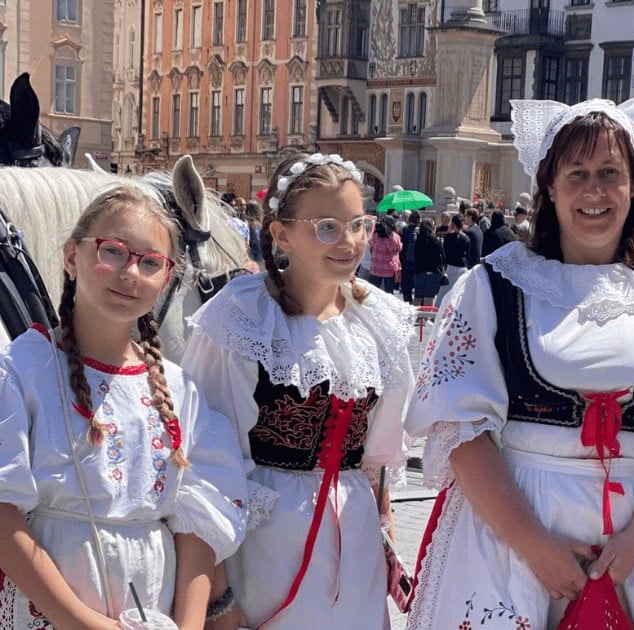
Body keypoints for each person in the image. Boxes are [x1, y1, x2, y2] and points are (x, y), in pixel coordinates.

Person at [405, 96, 634, 629]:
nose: (594, 190)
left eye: (610, 173)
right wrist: (535, 547)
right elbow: (460, 428)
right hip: (513, 535)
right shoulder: (493, 284)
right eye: (576, 173)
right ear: (550, 188)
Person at [181, 152, 415, 629]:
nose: (348, 241)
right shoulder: (243, 318)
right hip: (265, 544)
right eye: (327, 227)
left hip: (354, 543)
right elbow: (203, 465)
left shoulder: (377, 320)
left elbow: (377, 462)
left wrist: (386, 537)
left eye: (358, 225)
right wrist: (219, 599)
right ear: (282, 234)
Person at [0, 183, 247, 628]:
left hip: (153, 606)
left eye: (151, 262)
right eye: (113, 251)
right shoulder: (21, 371)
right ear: (72, 257)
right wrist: (78, 621)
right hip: (50, 610)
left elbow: (200, 523)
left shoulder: (178, 390)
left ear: (167, 277)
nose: (131, 273)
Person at [435, 213, 470, 306]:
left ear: (453, 224)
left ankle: (437, 312)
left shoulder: (448, 237)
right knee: (458, 293)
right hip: (462, 267)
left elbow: (444, 251)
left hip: (450, 267)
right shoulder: (466, 238)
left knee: (443, 292)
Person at [413, 218, 446, 306]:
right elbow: (443, 258)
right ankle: (426, 317)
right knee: (429, 297)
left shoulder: (418, 240)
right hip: (433, 271)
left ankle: (415, 317)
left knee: (418, 297)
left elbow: (414, 255)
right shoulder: (437, 241)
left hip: (420, 270)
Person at [369, 215, 403, 293]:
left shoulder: (375, 235)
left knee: (373, 294)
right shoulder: (394, 237)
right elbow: (399, 248)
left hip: (375, 268)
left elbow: (370, 243)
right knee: (388, 295)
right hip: (389, 270)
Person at [400, 209, 420, 303]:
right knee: (417, 287)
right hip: (418, 262)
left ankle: (407, 303)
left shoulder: (405, 229)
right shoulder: (420, 231)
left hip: (406, 261)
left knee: (406, 287)